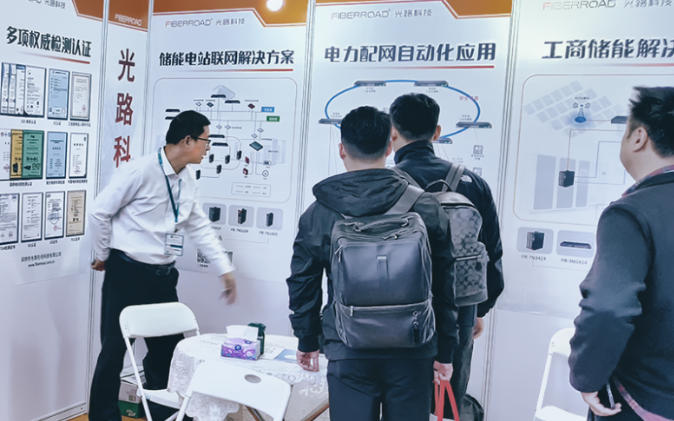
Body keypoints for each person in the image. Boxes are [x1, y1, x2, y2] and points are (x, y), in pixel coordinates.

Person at [286, 106, 458, 421]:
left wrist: (307, 339)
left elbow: (303, 281)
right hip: (413, 346)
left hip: (347, 347)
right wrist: (446, 350)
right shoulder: (424, 206)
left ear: (342, 149)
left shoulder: (320, 212)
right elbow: (445, 283)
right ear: (389, 147)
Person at [88, 110, 237, 421]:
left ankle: (163, 414)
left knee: (169, 352)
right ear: (187, 141)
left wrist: (224, 268)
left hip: (163, 276)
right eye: (206, 141)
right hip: (127, 273)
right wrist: (103, 253)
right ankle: (103, 416)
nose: (208, 148)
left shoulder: (187, 179)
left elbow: (198, 224)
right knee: (114, 350)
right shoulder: (140, 171)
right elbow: (100, 211)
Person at [389, 93, 504, 411]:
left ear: (392, 133)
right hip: (457, 309)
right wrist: (479, 308)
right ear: (437, 132)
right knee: (446, 402)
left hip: (395, 312)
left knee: (398, 401)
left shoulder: (386, 185)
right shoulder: (472, 183)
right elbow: (492, 253)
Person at [569, 87, 674, 421]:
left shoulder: (631, 213)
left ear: (639, 137)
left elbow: (608, 307)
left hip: (643, 401)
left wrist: (587, 377)